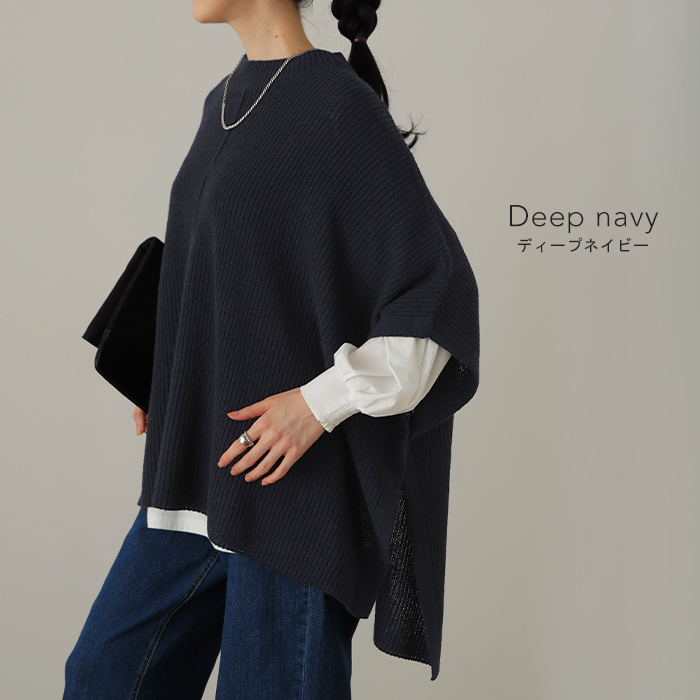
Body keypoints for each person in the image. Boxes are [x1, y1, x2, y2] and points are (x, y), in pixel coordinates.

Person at [63, 0, 480, 698]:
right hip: (196, 473)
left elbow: (438, 299)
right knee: (102, 676)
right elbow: (238, 269)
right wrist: (171, 377)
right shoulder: (224, 99)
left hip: (295, 499)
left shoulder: (337, 107)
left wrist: (317, 405)